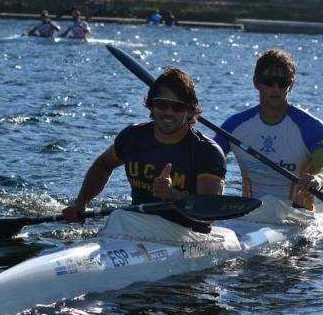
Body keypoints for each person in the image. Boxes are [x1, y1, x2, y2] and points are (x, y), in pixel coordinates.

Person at [63, 67, 227, 233]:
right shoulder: (132, 137)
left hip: (188, 233)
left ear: (190, 111)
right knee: (119, 217)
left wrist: (174, 196)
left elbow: (209, 211)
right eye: (162, 104)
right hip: (137, 227)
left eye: (177, 107)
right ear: (151, 105)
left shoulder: (207, 151)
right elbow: (104, 164)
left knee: (120, 216)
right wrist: (80, 202)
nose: (169, 112)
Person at [213, 49, 323, 211]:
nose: (276, 89)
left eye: (283, 82)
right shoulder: (234, 126)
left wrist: (319, 179)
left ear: (291, 85)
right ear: (256, 82)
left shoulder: (311, 127)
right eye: (269, 81)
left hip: (296, 213)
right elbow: (207, 158)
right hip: (250, 212)